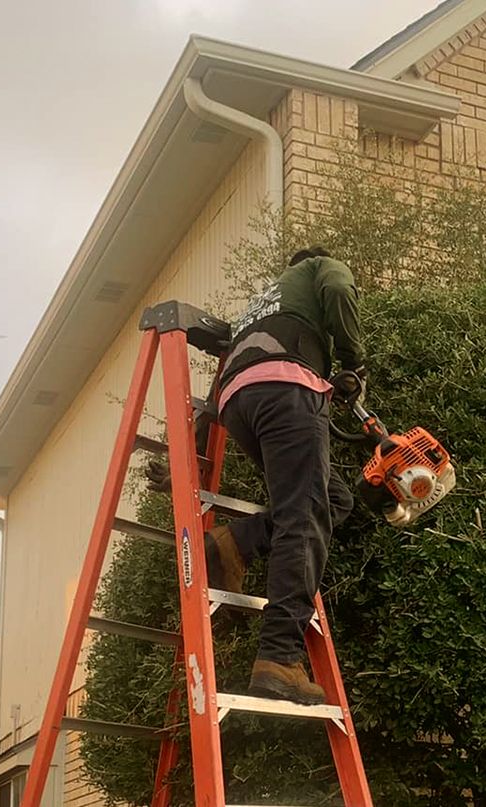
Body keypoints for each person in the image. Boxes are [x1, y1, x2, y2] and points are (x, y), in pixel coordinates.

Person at [200, 246, 368, 704]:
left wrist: (196, 446)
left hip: (236, 403)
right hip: (288, 389)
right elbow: (338, 287)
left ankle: (237, 542)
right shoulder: (318, 267)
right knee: (304, 518)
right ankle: (280, 658)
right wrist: (353, 362)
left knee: (332, 499)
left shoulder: (261, 300)